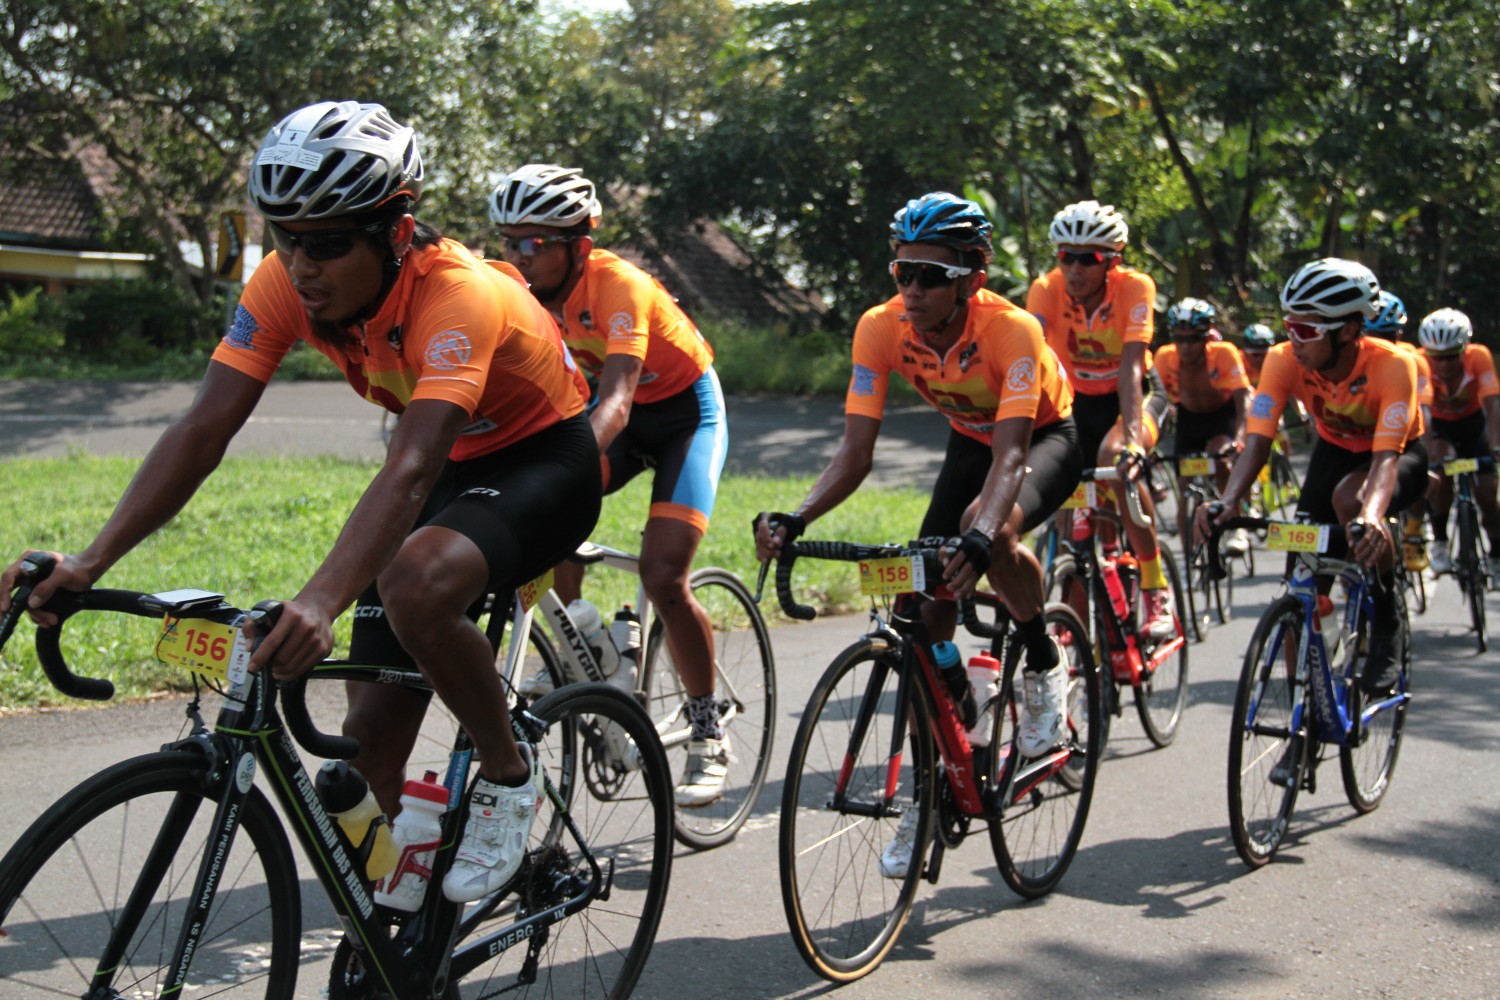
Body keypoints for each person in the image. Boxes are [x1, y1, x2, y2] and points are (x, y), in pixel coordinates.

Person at [0, 101, 600, 904]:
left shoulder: (459, 294)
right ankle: (395, 928)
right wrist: (90, 560)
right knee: (366, 750)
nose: (301, 264)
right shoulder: (285, 284)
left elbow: (410, 468)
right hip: (449, 463)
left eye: (327, 243)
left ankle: (507, 771)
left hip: (544, 460)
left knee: (416, 583)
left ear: (395, 232)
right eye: (285, 238)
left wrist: (320, 601)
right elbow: (204, 427)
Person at [753, 191, 1081, 877]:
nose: (913, 289)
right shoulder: (881, 328)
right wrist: (798, 517)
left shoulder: (1011, 330)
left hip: (1043, 437)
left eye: (931, 276)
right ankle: (933, 780)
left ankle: (1043, 661)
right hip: (969, 440)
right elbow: (855, 454)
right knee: (923, 616)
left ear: (972, 279)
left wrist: (981, 536)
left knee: (982, 530)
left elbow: (1011, 458)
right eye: (903, 272)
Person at [487, 164, 730, 808]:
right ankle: (584, 641)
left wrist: (557, 469)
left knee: (663, 574)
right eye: (509, 241)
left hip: (685, 416)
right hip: (616, 413)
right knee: (549, 516)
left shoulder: (619, 284)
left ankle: (707, 727)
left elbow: (617, 400)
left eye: (533, 242)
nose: (517, 255)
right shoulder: (522, 291)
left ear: (579, 247)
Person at [1198, 258, 1425, 696]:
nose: (1293, 340)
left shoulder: (1394, 365)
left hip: (1395, 456)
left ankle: (1387, 613)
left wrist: (1371, 516)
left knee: (1351, 500)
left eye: (1306, 330)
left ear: (1347, 331)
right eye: (1289, 326)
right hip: (1334, 452)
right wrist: (1228, 500)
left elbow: (1385, 459)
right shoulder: (1283, 360)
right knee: (1300, 586)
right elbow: (1257, 442)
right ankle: (1305, 709)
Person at [1027, 200, 1175, 640]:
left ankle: (1155, 587)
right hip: (1077, 402)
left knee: (1116, 459)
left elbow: (1131, 368)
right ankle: (1072, 623)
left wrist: (1131, 442)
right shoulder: (1046, 290)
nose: (1074, 269)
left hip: (1133, 395)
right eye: (1066, 256)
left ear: (1112, 261)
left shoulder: (1135, 287)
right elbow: (1029, 360)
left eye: (1088, 258)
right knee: (1067, 507)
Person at [1155, 297, 1252, 554]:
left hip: (1222, 415)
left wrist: (1239, 439)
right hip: (1189, 419)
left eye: (1194, 339)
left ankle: (1237, 526)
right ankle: (1190, 556)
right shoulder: (1165, 357)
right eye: (1179, 338)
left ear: (1207, 336)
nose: (1186, 346)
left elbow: (1243, 398)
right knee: (1183, 487)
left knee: (1220, 460)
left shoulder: (1224, 353)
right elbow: (1155, 402)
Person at [1416, 308, 1500, 577]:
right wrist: (1428, 454)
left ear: (1464, 348)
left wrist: (1496, 445)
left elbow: (1493, 402)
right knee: (1440, 474)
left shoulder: (1479, 356)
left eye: (1451, 356)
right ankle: (1440, 541)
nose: (1443, 365)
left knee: (1488, 496)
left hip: (1474, 425)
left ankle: (1496, 555)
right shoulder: (1419, 361)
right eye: (1436, 357)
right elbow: (1424, 412)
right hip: (1440, 428)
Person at [1365, 290, 1437, 567]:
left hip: (1404, 433)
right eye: (1369, 337)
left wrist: (1428, 460)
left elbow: (1424, 411)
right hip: (1366, 437)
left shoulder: (1412, 360)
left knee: (1416, 479)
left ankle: (1414, 529)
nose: (1378, 346)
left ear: (1399, 335)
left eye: (1388, 337)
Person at [1241, 323, 1276, 387]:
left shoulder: (1278, 363)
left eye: (1264, 354)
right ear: (1245, 352)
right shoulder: (1236, 363)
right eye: (1255, 355)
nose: (1259, 359)